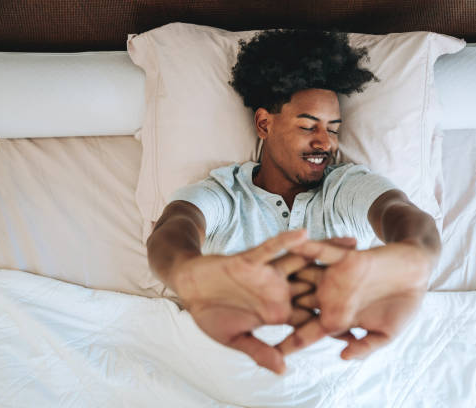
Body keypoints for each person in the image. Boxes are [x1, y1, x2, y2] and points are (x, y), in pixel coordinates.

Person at [146, 28, 441, 375]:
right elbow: (175, 226)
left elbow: (399, 212)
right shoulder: (226, 192)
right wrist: (186, 272)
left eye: (333, 129)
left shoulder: (346, 186)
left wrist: (415, 255)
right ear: (264, 124)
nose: (325, 143)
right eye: (308, 126)